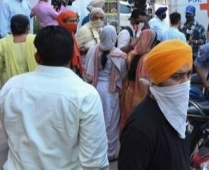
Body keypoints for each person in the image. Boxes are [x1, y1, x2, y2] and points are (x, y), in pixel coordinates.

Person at [0, 26, 109, 169]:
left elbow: (4, 136)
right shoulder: (85, 94)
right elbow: (94, 161)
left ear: (37, 57)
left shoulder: (11, 87)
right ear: (72, 56)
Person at [118, 39, 192, 170]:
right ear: (158, 78)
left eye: (189, 74)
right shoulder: (140, 128)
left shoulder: (178, 114)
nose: (185, 83)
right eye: (176, 76)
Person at [85, 25, 127, 161]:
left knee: (96, 121)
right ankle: (109, 153)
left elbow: (89, 72)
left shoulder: (93, 49)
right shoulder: (120, 55)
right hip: (111, 91)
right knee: (112, 122)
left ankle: (96, 151)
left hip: (96, 89)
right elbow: (123, 75)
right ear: (114, 37)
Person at [119, 29, 158, 131]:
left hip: (127, 92)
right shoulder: (147, 59)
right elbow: (145, 82)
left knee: (127, 120)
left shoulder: (132, 54)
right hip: (140, 96)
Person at [0, 15, 37, 87]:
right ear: (28, 27)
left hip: (9, 85)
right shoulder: (35, 40)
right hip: (31, 84)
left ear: (11, 28)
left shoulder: (3, 43)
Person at [57, 10, 83, 77]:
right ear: (63, 22)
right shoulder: (58, 36)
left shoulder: (71, 34)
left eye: (75, 21)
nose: (74, 24)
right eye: (71, 21)